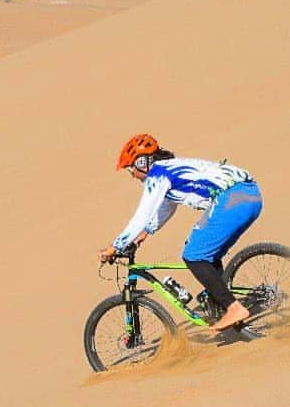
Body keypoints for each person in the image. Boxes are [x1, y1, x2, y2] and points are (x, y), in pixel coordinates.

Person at [98, 133, 263, 332]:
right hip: (250, 196)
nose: (132, 175)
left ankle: (233, 308)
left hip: (232, 199)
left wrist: (114, 247)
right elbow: (167, 207)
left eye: (131, 169)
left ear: (142, 163)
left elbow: (141, 215)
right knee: (207, 254)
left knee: (193, 255)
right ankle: (219, 303)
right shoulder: (170, 169)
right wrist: (144, 234)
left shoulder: (157, 174)